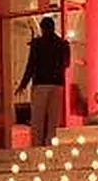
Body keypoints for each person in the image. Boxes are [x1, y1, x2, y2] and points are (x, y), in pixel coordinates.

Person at [17, 16, 70, 149]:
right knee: (53, 118)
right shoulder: (63, 44)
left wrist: (23, 84)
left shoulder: (37, 44)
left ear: (42, 28)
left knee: (38, 117)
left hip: (40, 83)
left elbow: (31, 65)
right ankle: (50, 144)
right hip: (57, 83)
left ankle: (37, 145)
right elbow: (66, 63)